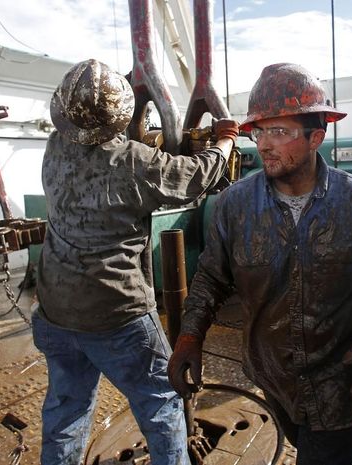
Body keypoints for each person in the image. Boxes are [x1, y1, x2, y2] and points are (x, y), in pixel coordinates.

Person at [168, 63, 352, 465]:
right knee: (302, 439)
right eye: (259, 131)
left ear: (316, 136)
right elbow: (212, 276)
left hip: (342, 383)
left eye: (279, 132)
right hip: (273, 377)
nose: (264, 144)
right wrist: (190, 336)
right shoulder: (234, 207)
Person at [33, 58, 239, 465]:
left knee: (65, 411)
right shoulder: (133, 162)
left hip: (55, 310)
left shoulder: (54, 147)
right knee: (160, 399)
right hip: (117, 314)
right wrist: (225, 142)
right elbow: (194, 178)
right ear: (122, 113)